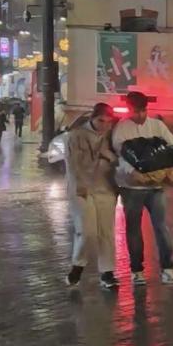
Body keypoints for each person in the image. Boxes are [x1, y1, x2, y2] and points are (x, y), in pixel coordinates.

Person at [111, 91, 173, 286]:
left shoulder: (157, 126)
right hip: (131, 188)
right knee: (134, 228)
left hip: (156, 186)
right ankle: (137, 270)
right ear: (129, 110)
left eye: (143, 111)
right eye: (136, 111)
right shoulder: (121, 129)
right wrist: (131, 172)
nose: (140, 115)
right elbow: (119, 155)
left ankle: (167, 267)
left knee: (161, 226)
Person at [65, 103, 120, 289]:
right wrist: (79, 186)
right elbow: (73, 165)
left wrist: (111, 158)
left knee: (107, 232)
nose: (104, 125)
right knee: (87, 231)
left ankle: (107, 272)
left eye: (108, 121)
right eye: (101, 120)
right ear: (92, 118)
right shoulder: (76, 136)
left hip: (106, 187)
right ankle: (78, 265)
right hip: (83, 188)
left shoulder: (111, 136)